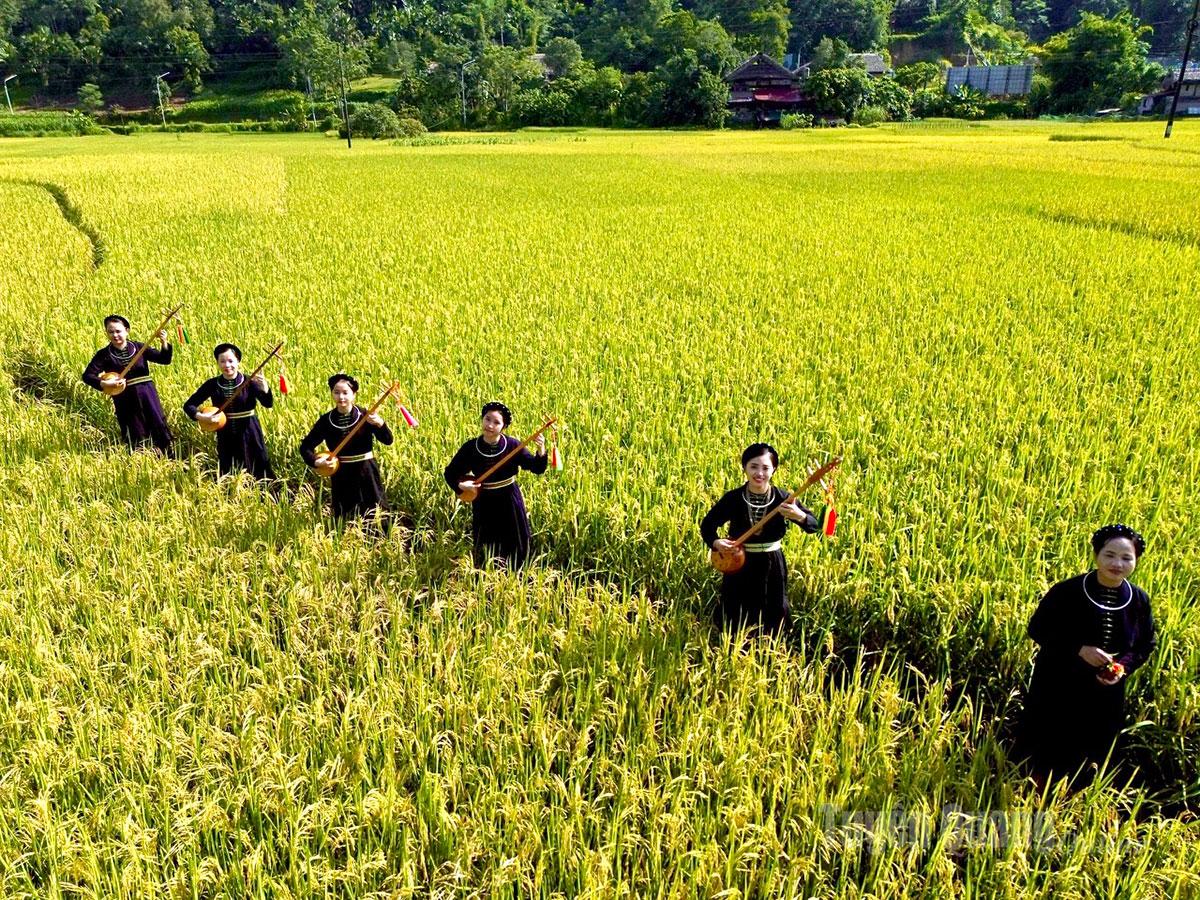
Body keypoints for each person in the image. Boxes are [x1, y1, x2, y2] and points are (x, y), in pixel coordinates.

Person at [1019, 524, 1156, 787]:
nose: (1117, 563)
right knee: (1049, 743)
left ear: (1137, 560)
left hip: (1105, 691)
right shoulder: (1067, 592)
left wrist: (1121, 668)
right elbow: (1038, 628)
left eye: (1127, 558)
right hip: (1058, 682)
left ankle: (1078, 797)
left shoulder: (1139, 600)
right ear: (1096, 555)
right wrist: (1079, 649)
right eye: (1110, 555)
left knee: (1092, 749)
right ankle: (1033, 791)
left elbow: (1146, 643)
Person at [700, 443, 821, 634]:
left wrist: (799, 515)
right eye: (753, 466)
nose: (759, 473)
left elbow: (814, 525)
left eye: (765, 468)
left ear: (774, 470)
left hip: (771, 564)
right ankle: (733, 648)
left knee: (772, 607)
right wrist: (716, 542)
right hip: (739, 563)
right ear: (745, 468)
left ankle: (770, 652)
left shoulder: (784, 498)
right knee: (736, 609)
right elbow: (707, 525)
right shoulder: (733, 498)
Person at [444, 401, 547, 568]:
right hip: (484, 501)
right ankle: (487, 576)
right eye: (487, 419)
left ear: (503, 426)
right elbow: (450, 473)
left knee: (515, 540)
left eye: (496, 422)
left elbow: (537, 467)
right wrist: (463, 487)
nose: (490, 425)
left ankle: (518, 575)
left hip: (509, 499)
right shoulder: (471, 447)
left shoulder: (513, 445)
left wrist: (541, 449)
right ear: (482, 419)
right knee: (487, 543)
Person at [299, 374, 393, 525]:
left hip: (366, 472)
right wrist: (316, 461)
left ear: (354, 394)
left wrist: (380, 424)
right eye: (336, 392)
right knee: (344, 516)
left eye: (345, 393)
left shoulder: (366, 416)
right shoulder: (326, 420)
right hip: (341, 474)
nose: (341, 397)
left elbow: (388, 440)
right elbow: (306, 447)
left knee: (376, 515)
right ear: (331, 394)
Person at [81, 314, 174, 455]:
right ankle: (142, 461)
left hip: (147, 394)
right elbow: (87, 376)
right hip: (124, 398)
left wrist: (164, 342)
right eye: (111, 332)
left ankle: (169, 458)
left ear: (126, 330)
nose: (115, 335)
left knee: (157, 424)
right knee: (134, 429)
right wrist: (105, 382)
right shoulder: (104, 354)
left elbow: (164, 359)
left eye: (118, 331)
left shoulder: (139, 347)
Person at [183, 343, 275, 479]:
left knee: (257, 467)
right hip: (225, 434)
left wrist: (265, 388)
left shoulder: (250, 382)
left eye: (231, 361)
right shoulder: (212, 384)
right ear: (218, 363)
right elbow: (189, 405)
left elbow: (268, 404)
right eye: (222, 361)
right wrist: (201, 417)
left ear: (238, 361)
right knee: (229, 469)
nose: (227, 365)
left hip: (250, 432)